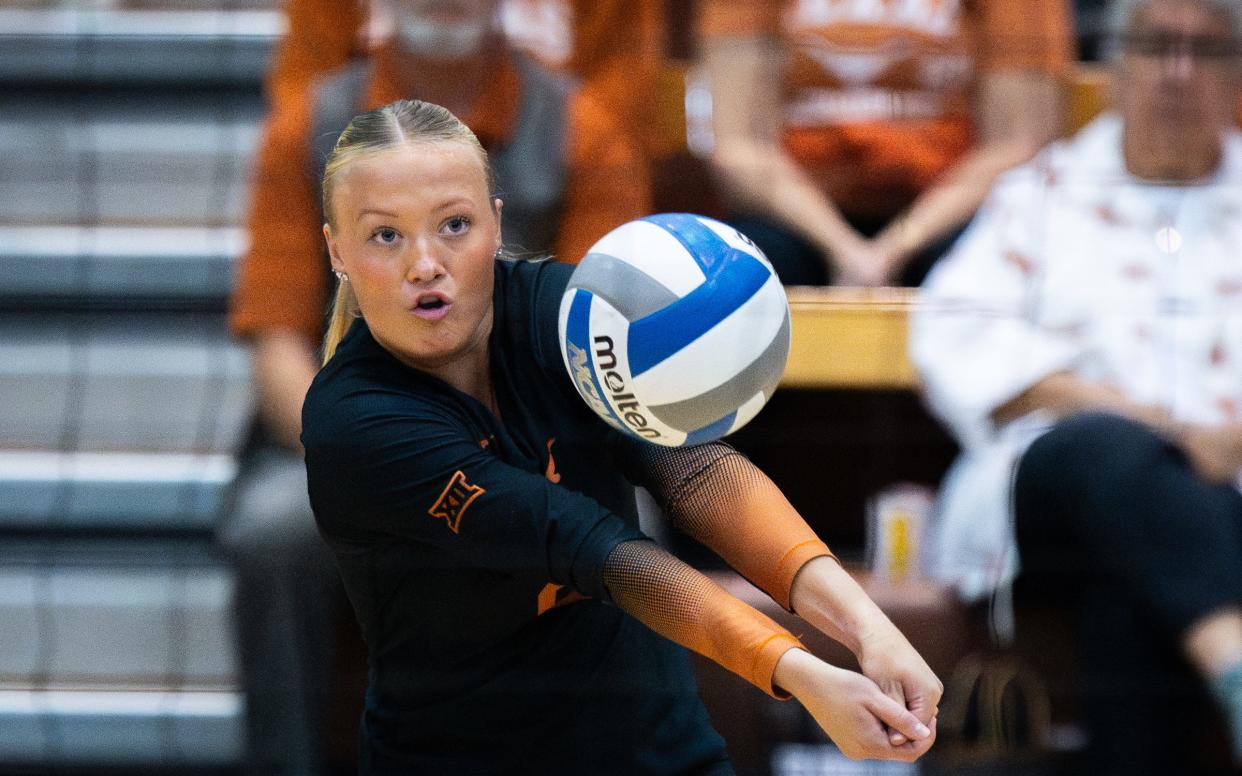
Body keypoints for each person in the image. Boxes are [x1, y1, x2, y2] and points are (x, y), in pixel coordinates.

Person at [302, 97, 941, 774]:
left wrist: (868, 629)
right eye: (385, 236)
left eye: (453, 225)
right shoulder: (357, 423)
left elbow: (692, 472)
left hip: (658, 750)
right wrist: (803, 674)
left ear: (495, 223)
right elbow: (593, 551)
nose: (425, 263)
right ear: (337, 249)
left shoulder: (567, 312)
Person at [221, 2, 651, 773]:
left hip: (534, 442)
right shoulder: (306, 126)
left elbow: (599, 346)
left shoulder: (582, 126)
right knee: (270, 528)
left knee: (639, 513)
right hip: (360, 444)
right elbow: (278, 347)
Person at [910, 0, 1242, 772]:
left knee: (1132, 582)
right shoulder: (1042, 195)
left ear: (1236, 70)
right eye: (1156, 45)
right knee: (1109, 452)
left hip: (1216, 505)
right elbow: (955, 335)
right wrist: (1148, 425)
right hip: (1052, 495)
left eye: (1207, 49)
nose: (1178, 71)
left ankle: (1223, 656)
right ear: (1115, 62)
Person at [692, 0, 1074, 286]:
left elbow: (1019, 142)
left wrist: (898, 245)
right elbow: (740, 145)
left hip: (949, 208)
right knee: (738, 275)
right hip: (795, 211)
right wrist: (842, 248)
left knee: (991, 267)